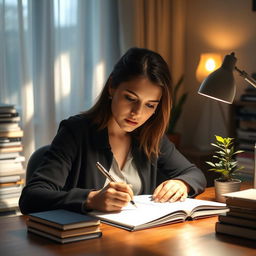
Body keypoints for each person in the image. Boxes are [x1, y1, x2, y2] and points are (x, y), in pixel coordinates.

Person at [19, 47, 206, 214]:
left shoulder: (150, 135)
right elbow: (32, 197)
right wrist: (92, 199)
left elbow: (195, 174)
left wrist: (182, 183)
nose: (137, 113)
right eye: (130, 98)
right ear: (111, 87)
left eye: (150, 105)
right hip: (84, 242)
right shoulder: (76, 131)